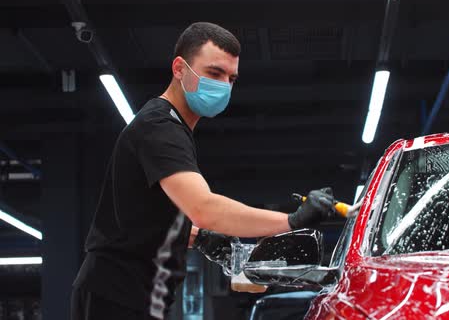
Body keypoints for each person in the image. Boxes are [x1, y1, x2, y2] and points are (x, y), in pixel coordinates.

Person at [70, 22, 335, 320]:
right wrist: (292, 220)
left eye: (231, 78)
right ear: (179, 68)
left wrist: (200, 238)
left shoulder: (172, 129)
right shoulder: (161, 128)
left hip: (132, 296)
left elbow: (146, 216)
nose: (224, 85)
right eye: (214, 73)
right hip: (116, 298)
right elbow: (204, 207)